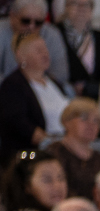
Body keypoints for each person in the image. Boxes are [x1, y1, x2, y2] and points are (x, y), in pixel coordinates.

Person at [0, 31, 70, 159]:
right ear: (21, 56)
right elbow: (17, 122)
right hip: (27, 154)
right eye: (39, 50)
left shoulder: (54, 83)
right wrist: (50, 143)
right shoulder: (12, 84)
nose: (45, 53)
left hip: (61, 147)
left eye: (45, 49)